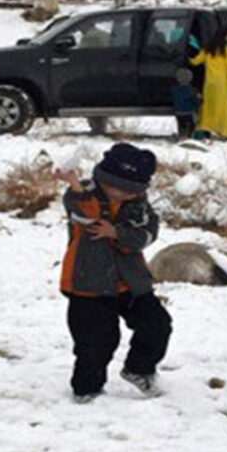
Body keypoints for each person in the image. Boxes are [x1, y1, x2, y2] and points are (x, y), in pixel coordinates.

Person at [54, 143, 173, 404]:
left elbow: (147, 234)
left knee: (157, 325)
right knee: (95, 342)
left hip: (131, 282)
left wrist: (117, 233)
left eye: (127, 191)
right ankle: (87, 390)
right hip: (88, 284)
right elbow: (82, 212)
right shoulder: (84, 192)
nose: (119, 194)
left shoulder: (139, 205)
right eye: (113, 187)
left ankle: (139, 369)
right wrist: (72, 182)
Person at [189, 22, 227, 139]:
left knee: (209, 107)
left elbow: (195, 61)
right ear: (224, 37)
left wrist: (187, 55)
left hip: (209, 84)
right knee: (224, 109)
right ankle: (224, 132)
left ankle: (206, 128)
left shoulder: (208, 49)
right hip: (223, 84)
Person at [171, 68, 201, 140]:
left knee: (181, 123)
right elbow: (196, 103)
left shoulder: (174, 90)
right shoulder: (193, 90)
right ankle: (191, 134)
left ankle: (181, 133)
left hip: (178, 113)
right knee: (193, 121)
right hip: (189, 113)